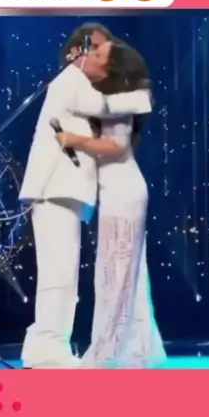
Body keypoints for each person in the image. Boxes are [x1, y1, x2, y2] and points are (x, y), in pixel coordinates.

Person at [19, 23, 152, 369]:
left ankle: (47, 347)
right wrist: (142, 96)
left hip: (64, 190)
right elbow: (103, 106)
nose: (102, 58)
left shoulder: (79, 84)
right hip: (54, 187)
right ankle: (47, 349)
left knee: (63, 274)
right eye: (95, 50)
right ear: (76, 53)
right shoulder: (70, 79)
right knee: (58, 275)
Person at [59, 36, 166, 369]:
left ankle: (111, 351)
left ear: (113, 66)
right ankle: (133, 346)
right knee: (119, 270)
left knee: (117, 272)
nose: (91, 53)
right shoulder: (107, 97)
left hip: (124, 190)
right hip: (115, 191)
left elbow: (116, 147)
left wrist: (73, 139)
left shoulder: (123, 98)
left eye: (98, 52)